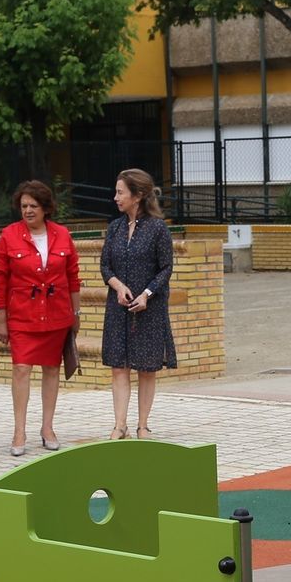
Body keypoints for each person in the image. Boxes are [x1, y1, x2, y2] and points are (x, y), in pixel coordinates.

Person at [0, 180, 81, 456]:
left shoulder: (63, 235)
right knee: (21, 368)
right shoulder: (9, 235)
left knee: (52, 369)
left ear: (45, 208)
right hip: (22, 316)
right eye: (23, 206)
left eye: (33, 206)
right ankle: (19, 430)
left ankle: (47, 427)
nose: (28, 211)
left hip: (56, 315)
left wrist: (75, 314)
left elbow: (73, 277)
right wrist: (1, 320)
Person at [100, 168, 176, 439]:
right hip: (118, 308)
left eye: (120, 192)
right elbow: (105, 266)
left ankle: (143, 424)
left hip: (149, 309)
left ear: (138, 195)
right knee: (119, 367)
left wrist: (147, 294)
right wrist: (118, 286)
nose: (115, 197)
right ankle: (120, 425)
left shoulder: (158, 228)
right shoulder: (115, 228)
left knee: (146, 368)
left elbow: (166, 268)